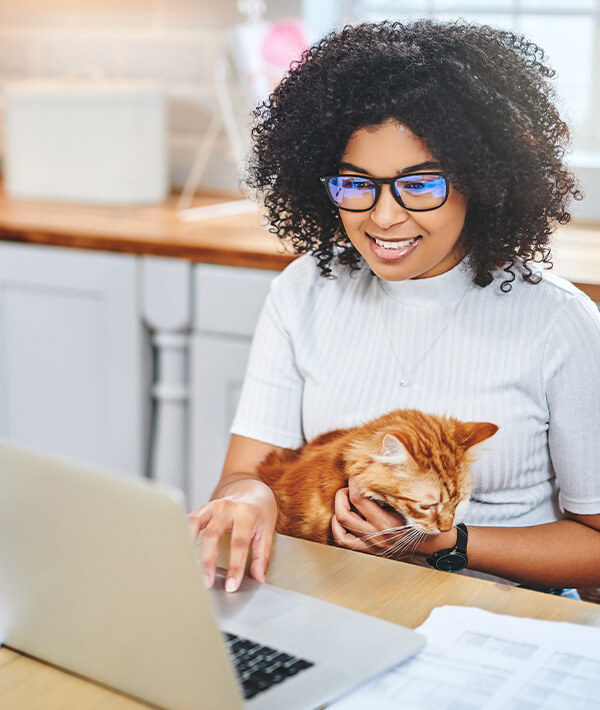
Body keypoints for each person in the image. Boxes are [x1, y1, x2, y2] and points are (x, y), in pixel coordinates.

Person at [189, 20, 600, 596]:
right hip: (331, 604)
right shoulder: (305, 289)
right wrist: (247, 500)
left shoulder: (560, 324)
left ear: (481, 182)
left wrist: (448, 546)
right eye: (357, 184)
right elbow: (244, 473)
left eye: (421, 184)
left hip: (486, 625)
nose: (383, 217)